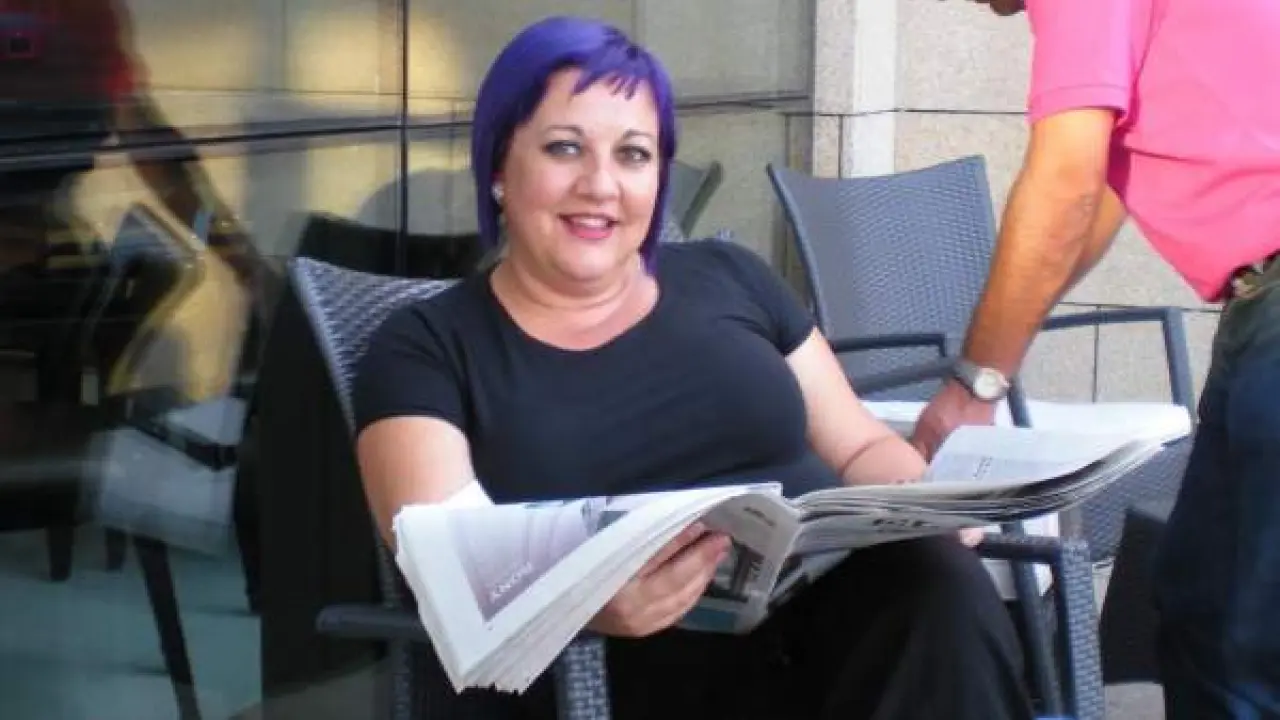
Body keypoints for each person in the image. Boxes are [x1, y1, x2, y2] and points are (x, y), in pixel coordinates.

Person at [351, 15, 1033, 720]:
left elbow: (858, 444)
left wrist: (920, 503)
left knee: (932, 576)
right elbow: (448, 565)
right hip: (615, 671)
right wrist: (587, 605)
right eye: (564, 148)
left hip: (821, 630)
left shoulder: (730, 277)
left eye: (633, 155)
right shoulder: (427, 349)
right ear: (499, 166)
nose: (601, 185)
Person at [911, 1, 1280, 717]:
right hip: (1256, 309)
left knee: (1254, 645)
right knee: (1203, 610)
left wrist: (975, 385)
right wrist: (999, 354)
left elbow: (1065, 184)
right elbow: (1098, 198)